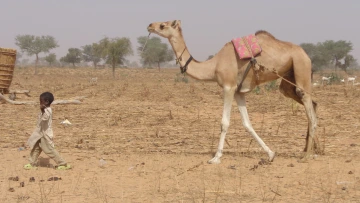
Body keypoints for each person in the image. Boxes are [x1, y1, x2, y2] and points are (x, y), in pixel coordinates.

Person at [24, 92, 71, 170]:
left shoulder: (48, 110)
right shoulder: (45, 110)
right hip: (40, 134)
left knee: (50, 150)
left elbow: (45, 118)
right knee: (36, 148)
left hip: (44, 135)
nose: (40, 103)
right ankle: (32, 163)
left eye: (41, 101)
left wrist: (43, 110)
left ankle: (62, 163)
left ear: (46, 102)